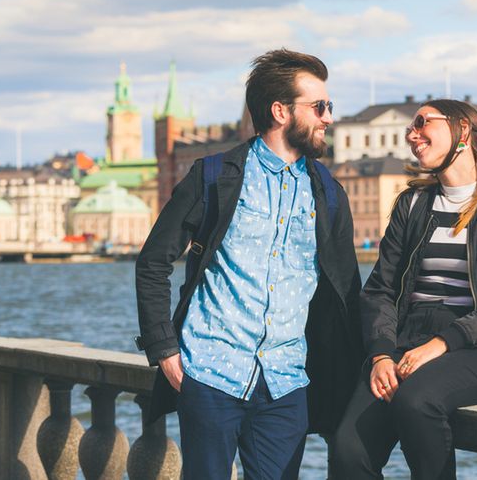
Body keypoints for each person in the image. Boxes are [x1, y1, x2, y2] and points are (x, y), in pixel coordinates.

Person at [135, 49, 362, 479]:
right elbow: (152, 263)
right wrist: (163, 349)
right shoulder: (214, 176)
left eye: (329, 106)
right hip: (210, 374)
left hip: (286, 384)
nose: (328, 117)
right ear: (280, 111)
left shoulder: (329, 193)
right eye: (319, 107)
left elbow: (347, 290)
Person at [330, 99, 477, 479]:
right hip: (406, 340)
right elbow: (380, 289)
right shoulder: (412, 205)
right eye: (411, 127)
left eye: (422, 123)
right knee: (347, 449)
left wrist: (443, 342)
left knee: (417, 400)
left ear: (463, 131)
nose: (412, 134)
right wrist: (380, 356)